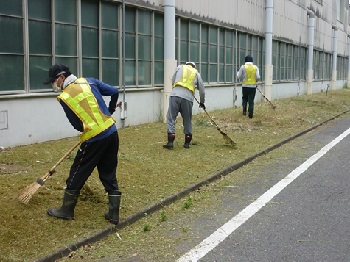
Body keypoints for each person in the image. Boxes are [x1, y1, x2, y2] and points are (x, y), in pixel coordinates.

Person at [43, 64, 122, 225]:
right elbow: (114, 91)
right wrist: (109, 110)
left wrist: (86, 127)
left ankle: (66, 210)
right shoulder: (89, 82)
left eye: (54, 81)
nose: (54, 84)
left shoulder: (65, 97)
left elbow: (77, 125)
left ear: (62, 77)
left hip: (94, 139)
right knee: (108, 171)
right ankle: (114, 214)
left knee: (77, 172)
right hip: (112, 132)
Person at [163, 62, 205, 149]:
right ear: (193, 66)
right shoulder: (196, 72)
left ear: (186, 64)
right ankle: (187, 143)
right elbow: (202, 90)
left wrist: (177, 89)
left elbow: (173, 80)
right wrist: (201, 102)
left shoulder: (179, 67)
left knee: (171, 118)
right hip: (188, 98)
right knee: (187, 119)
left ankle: (170, 142)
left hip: (175, 95)